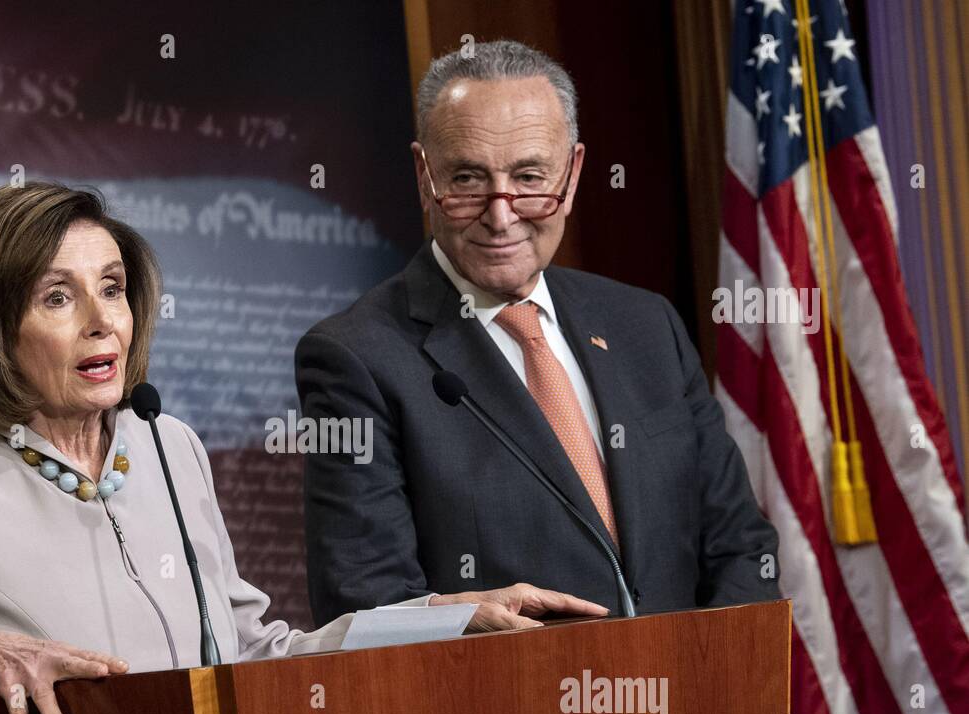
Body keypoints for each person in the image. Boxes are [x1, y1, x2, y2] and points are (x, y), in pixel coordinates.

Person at [0, 181, 607, 714]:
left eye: (112, 288)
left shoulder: (164, 445)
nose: (103, 318)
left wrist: (438, 619)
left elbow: (251, 655)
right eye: (56, 297)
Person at [296, 39, 780, 626]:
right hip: (512, 713)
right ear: (425, 178)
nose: (501, 215)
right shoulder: (355, 358)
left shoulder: (646, 325)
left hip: (689, 711)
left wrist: (708, 698)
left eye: (528, 177)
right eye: (469, 180)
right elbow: (363, 601)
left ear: (573, 174)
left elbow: (741, 547)